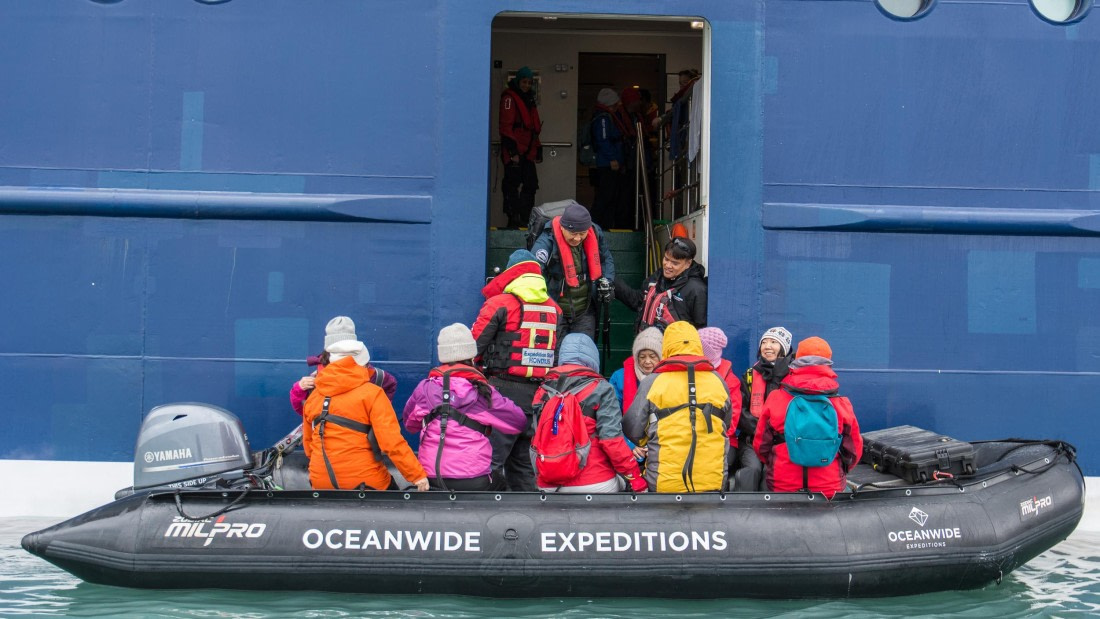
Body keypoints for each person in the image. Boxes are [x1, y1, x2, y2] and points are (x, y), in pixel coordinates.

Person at [472, 249, 563, 491]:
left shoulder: (498, 304)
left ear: (511, 274)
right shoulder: (555, 310)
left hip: (501, 393)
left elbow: (474, 348)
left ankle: (479, 511)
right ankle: (526, 511)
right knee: (523, 465)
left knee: (489, 462)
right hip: (538, 397)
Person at [403, 324, 527, 491]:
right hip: (474, 480)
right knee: (501, 484)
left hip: (430, 479)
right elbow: (518, 422)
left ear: (442, 356)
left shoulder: (424, 389)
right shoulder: (482, 391)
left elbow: (410, 425)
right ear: (471, 356)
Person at [301, 334, 428, 491]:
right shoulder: (373, 394)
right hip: (365, 482)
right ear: (361, 364)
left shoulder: (314, 397)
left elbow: (309, 446)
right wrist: (417, 475)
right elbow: (391, 442)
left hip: (320, 482)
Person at [623, 321, 733, 493]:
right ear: (697, 345)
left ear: (666, 347)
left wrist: (651, 438)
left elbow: (632, 428)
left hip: (663, 483)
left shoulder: (652, 382)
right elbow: (726, 422)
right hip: (713, 482)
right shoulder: (718, 381)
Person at [531, 334, 647, 493]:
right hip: (595, 482)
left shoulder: (543, 390)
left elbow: (535, 440)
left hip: (549, 484)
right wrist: (635, 478)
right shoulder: (601, 389)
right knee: (623, 484)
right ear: (592, 358)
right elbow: (611, 441)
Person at [753, 337, 862, 498]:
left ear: (796, 361)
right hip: (829, 487)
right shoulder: (841, 403)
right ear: (827, 363)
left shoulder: (776, 398)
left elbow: (761, 446)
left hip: (783, 485)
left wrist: (776, 464)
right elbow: (853, 451)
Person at [530, 202, 615, 340]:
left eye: (582, 233)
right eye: (573, 233)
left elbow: (606, 259)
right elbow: (533, 271)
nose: (577, 238)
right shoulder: (546, 241)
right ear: (562, 227)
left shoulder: (595, 233)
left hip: (585, 311)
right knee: (556, 352)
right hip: (555, 310)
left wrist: (608, 281)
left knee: (583, 350)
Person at [289, 316, 397, 415]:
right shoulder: (376, 376)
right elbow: (306, 412)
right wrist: (299, 389)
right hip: (342, 428)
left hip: (332, 429)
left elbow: (307, 414)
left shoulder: (374, 375)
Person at [733, 326, 793, 490]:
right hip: (751, 440)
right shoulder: (750, 375)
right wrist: (761, 431)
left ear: (784, 348)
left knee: (771, 471)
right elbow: (740, 410)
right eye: (764, 342)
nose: (767, 346)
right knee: (752, 470)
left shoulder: (793, 377)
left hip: (782, 442)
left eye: (773, 342)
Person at [614, 236, 707, 333]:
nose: (668, 265)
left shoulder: (697, 289)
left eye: (675, 263)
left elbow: (701, 329)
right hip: (648, 340)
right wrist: (612, 279)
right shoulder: (658, 277)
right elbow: (637, 301)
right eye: (666, 259)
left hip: (675, 342)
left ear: (688, 263)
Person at [499, 66, 542, 228]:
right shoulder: (509, 99)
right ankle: (513, 217)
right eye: (524, 82)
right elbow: (505, 126)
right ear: (518, 81)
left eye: (529, 82)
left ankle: (525, 217)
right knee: (511, 184)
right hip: (515, 149)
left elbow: (533, 129)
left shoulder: (529, 100)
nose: (527, 85)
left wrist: (537, 148)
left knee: (531, 183)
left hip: (527, 150)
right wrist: (512, 151)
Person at [590, 88, 628, 230]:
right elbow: (603, 140)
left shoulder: (606, 116)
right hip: (607, 163)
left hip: (610, 162)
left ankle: (604, 226)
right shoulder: (603, 118)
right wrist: (612, 158)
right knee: (605, 196)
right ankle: (593, 225)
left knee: (610, 197)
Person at [608, 326, 663, 411]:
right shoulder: (619, 377)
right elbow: (611, 410)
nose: (647, 361)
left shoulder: (669, 378)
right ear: (636, 358)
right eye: (642, 357)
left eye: (652, 356)